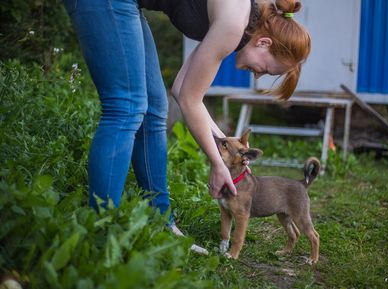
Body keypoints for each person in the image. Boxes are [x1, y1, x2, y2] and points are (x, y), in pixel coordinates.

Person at [63, 0, 310, 253]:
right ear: (264, 42)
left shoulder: (242, 20)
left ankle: (159, 221)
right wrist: (217, 163)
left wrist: (228, 146)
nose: (257, 75)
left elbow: (182, 89)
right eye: (267, 70)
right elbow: (190, 100)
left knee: (155, 107)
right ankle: (100, 233)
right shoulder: (234, 25)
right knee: (126, 106)